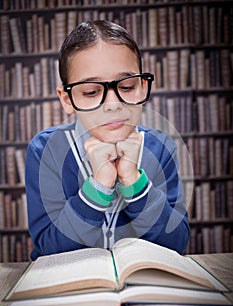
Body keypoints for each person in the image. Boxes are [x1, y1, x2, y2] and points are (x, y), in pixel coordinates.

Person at [25, 20, 190, 260]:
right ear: (67, 99)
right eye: (91, 91)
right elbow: (48, 250)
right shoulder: (45, 149)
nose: (113, 104)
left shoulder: (161, 147)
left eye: (127, 86)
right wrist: (99, 186)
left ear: (143, 88)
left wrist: (134, 181)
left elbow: (176, 244)